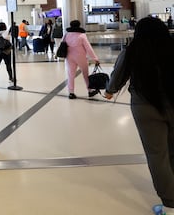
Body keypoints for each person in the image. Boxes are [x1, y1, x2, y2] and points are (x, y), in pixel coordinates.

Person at [104, 16, 174, 215]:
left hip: (146, 107)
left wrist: (110, 90)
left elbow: (118, 75)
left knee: (157, 155)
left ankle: (170, 205)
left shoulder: (133, 50)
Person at [62, 20, 100, 99]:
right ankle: (90, 91)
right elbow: (88, 48)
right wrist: (95, 58)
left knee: (70, 75)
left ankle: (71, 93)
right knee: (85, 74)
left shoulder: (66, 35)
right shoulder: (81, 35)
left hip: (69, 57)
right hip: (81, 57)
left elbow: (62, 44)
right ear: (79, 25)